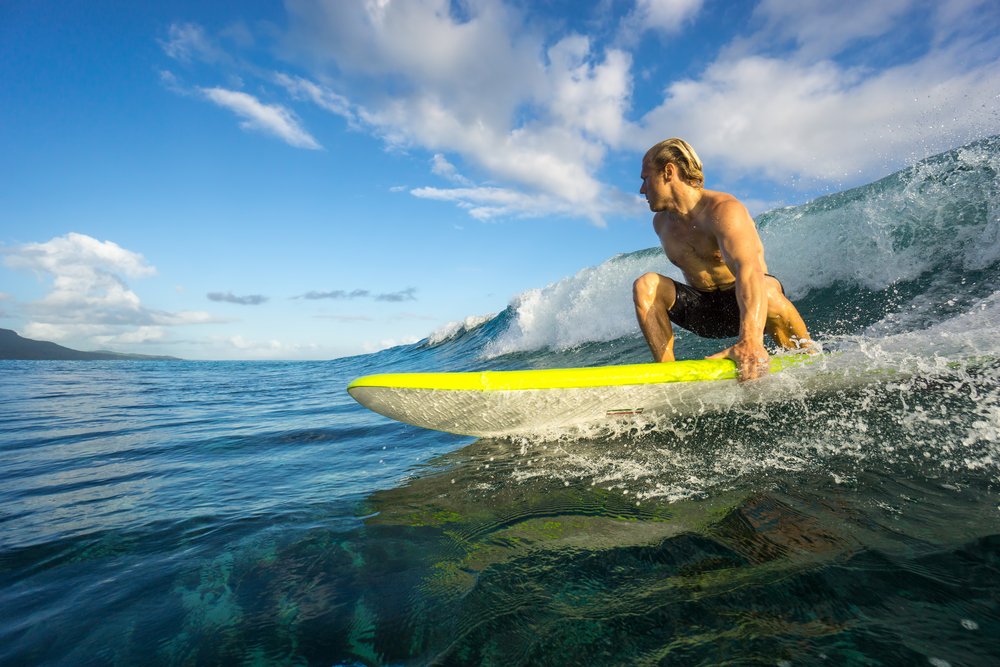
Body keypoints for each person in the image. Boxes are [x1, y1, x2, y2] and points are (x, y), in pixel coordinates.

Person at [633, 138, 812, 381]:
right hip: (705, 312)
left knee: (768, 289)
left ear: (668, 172)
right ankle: (668, 378)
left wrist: (750, 340)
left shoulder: (723, 209)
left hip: (746, 306)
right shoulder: (661, 223)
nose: (642, 189)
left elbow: (749, 271)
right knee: (646, 284)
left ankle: (806, 361)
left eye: (645, 178)